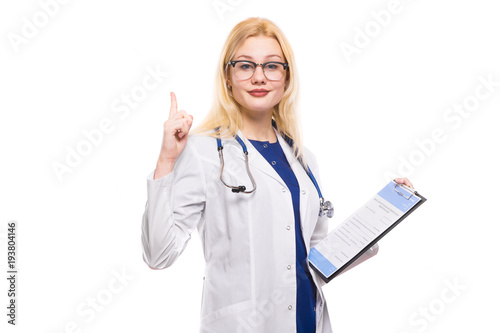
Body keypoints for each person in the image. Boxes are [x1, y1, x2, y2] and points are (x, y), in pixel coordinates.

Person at [141, 17, 414, 333]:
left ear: (286, 77)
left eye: (272, 66)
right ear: (228, 76)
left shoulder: (303, 158)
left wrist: (381, 217)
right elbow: (158, 254)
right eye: (245, 66)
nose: (259, 77)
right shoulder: (203, 151)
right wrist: (167, 160)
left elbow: (317, 258)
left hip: (306, 320)